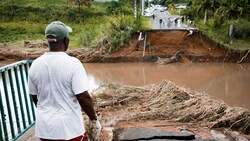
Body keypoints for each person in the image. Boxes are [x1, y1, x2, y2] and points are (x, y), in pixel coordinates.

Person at [28, 21, 102, 141]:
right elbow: (83, 97)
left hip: (45, 129)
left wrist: (49, 113)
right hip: (69, 129)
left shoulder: (35, 64)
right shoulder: (73, 64)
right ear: (66, 40)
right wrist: (94, 120)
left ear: (48, 41)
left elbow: (35, 98)